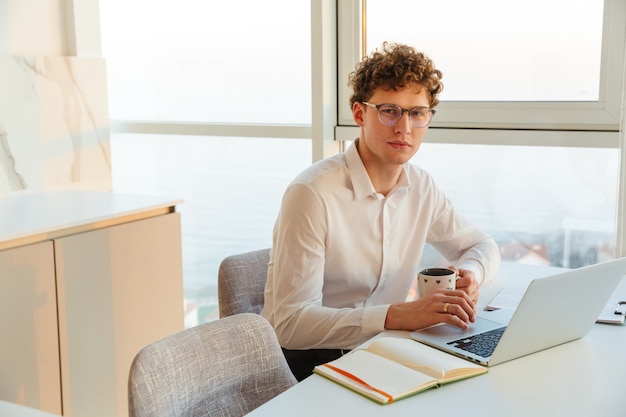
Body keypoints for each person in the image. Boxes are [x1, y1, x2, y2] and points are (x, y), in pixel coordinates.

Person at [261, 42, 501, 381]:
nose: (404, 128)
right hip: (309, 367)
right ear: (360, 114)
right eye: (390, 110)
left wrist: (471, 274)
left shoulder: (421, 186)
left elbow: (481, 245)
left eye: (417, 113)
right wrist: (398, 316)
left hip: (383, 352)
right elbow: (290, 325)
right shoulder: (312, 193)